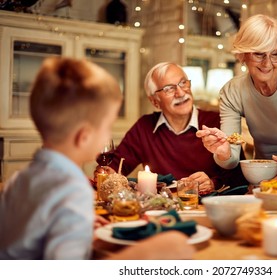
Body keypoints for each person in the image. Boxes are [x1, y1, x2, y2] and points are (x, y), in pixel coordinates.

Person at [0, 57, 194, 260]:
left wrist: (76, 225)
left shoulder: (21, 178)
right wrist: (148, 253)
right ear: (84, 136)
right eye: (107, 126)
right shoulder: (72, 190)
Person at [196, 14, 277, 171]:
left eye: (275, 54)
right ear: (243, 54)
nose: (267, 63)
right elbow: (231, 161)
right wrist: (224, 152)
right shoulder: (232, 91)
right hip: (263, 176)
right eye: (259, 54)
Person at [106, 62, 247, 194]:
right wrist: (106, 172)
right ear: (155, 101)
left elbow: (240, 177)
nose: (180, 93)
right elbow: (114, 168)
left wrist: (213, 183)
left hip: (208, 208)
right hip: (162, 209)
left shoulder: (217, 121)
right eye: (169, 89)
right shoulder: (145, 127)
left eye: (183, 83)